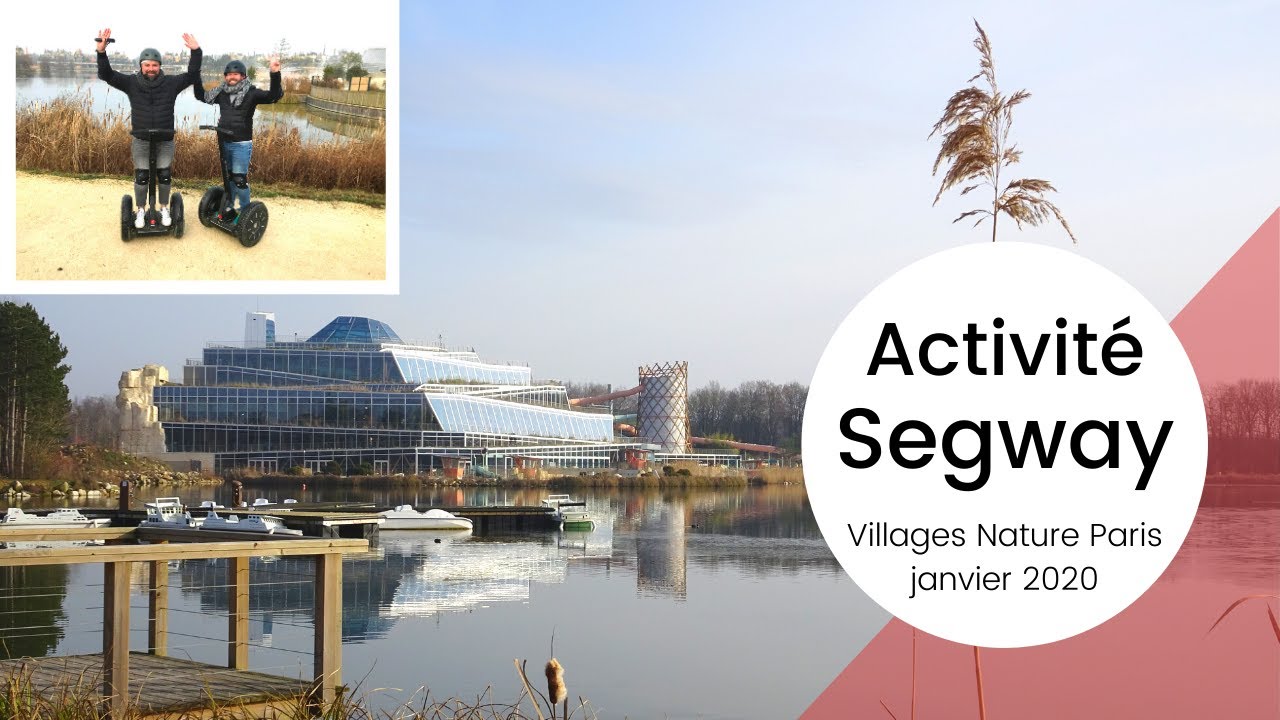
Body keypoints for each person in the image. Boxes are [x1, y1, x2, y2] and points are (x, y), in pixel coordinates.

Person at [95, 28, 202, 228]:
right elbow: (106, 74)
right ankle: (141, 210)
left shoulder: (171, 83)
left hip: (165, 139)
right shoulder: (131, 83)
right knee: (142, 176)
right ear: (141, 66)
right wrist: (101, 52)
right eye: (147, 65)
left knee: (164, 174)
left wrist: (196, 52)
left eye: (154, 65)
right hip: (141, 139)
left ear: (159, 66)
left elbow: (192, 75)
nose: (151, 68)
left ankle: (163, 208)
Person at [194, 56, 283, 221]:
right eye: (228, 74)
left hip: (241, 144)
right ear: (225, 77)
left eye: (236, 74)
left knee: (239, 179)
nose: (231, 77)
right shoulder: (221, 92)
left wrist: (274, 73)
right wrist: (195, 75)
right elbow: (201, 96)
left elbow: (273, 96)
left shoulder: (252, 93)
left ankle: (244, 212)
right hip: (224, 142)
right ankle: (228, 205)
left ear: (243, 76)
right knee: (229, 178)